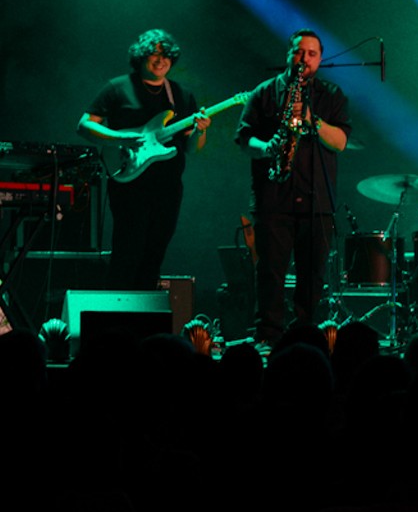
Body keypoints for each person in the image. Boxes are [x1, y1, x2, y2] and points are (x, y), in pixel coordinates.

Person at [236, 30, 350, 346]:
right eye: (300, 52)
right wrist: (268, 147)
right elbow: (244, 139)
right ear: (289, 54)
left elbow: (340, 142)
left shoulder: (332, 95)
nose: (305, 59)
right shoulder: (264, 92)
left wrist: (313, 120)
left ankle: (305, 336)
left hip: (317, 200)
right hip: (273, 196)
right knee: (270, 272)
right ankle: (267, 336)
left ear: (320, 58)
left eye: (312, 54)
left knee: (312, 275)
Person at [78, 29, 209, 290]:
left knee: (154, 256)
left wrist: (201, 129)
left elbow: (193, 148)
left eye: (165, 56)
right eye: (153, 54)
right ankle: (116, 321)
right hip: (130, 184)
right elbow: (84, 125)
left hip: (168, 188)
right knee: (127, 254)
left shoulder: (181, 95)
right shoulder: (118, 87)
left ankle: (143, 323)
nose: (160, 61)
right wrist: (120, 139)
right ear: (141, 57)